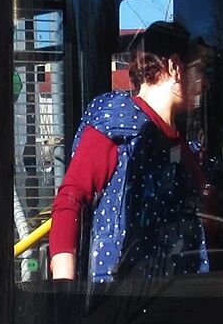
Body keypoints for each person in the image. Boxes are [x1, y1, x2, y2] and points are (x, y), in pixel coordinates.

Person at [50, 20, 209, 282]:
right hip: (122, 293)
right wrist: (63, 288)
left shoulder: (180, 142)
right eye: (200, 70)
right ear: (174, 67)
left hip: (179, 288)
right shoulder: (118, 123)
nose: (205, 84)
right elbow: (71, 198)